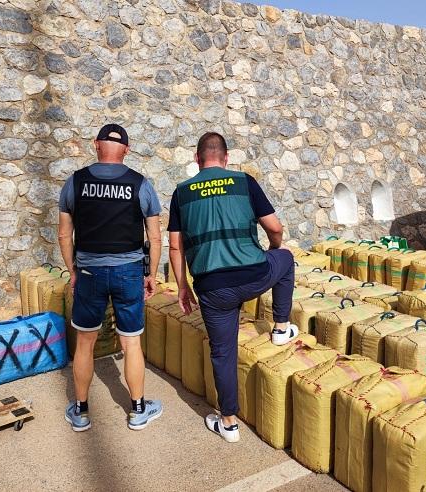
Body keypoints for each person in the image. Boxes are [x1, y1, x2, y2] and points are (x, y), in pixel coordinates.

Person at [167, 132, 298, 443]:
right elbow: (275, 228)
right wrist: (272, 250)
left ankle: (228, 423)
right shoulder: (244, 182)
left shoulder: (181, 193)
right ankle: (281, 327)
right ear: (226, 158)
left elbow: (175, 247)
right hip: (254, 276)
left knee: (223, 352)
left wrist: (183, 287)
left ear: (197, 160)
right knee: (287, 259)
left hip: (214, 289)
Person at [58, 123, 163, 432]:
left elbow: (65, 235)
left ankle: (80, 411)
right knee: (131, 344)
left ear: (95, 145)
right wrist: (152, 275)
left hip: (89, 272)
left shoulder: (75, 183)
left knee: (85, 344)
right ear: (127, 150)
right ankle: (138, 410)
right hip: (129, 272)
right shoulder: (140, 184)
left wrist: (73, 272)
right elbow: (155, 239)